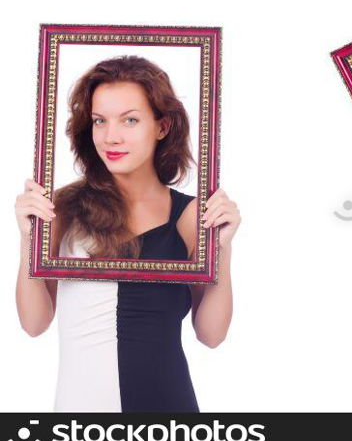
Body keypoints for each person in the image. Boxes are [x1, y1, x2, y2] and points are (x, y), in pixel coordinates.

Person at [14, 55, 241, 412]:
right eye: (100, 121)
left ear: (162, 126)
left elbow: (211, 335)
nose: (111, 136)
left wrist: (223, 249)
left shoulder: (190, 215)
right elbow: (34, 322)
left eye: (130, 120)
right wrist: (28, 241)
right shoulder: (61, 208)